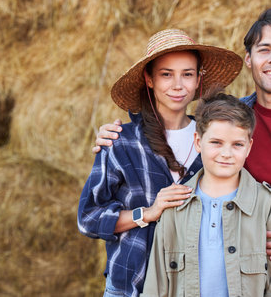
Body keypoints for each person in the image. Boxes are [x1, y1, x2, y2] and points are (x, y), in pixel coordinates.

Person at [94, 4, 271, 297]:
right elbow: (179, 131)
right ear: (249, 59)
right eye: (264, 49)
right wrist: (122, 136)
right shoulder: (228, 121)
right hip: (237, 279)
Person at [77, 28, 243, 297]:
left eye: (187, 74)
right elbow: (88, 219)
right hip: (131, 287)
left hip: (197, 287)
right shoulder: (122, 142)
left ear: (199, 79)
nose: (178, 85)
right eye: (166, 74)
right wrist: (147, 213)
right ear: (149, 79)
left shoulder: (216, 142)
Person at [141, 91, 271, 297]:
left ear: (249, 147)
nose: (226, 153)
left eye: (237, 145)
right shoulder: (175, 204)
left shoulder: (266, 205)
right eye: (216, 142)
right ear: (198, 142)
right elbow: (156, 286)